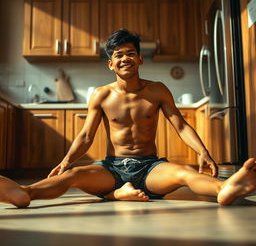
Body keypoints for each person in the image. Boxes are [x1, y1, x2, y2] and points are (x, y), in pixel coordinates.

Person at [1, 29, 256, 208]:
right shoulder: (101, 95)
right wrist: (66, 161)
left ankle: (224, 189)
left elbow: (179, 124)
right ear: (110, 64)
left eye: (130, 53)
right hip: (111, 168)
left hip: (150, 167)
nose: (125, 58)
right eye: (118, 55)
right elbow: (87, 135)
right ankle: (24, 193)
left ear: (140, 59)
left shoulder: (157, 89)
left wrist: (203, 151)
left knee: (183, 172)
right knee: (73, 176)